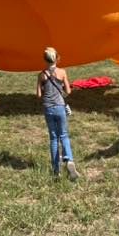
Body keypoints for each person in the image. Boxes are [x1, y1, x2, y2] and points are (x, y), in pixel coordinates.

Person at [37, 47, 79, 180]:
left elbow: (38, 95)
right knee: (64, 135)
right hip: (60, 106)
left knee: (53, 138)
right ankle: (69, 160)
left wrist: (44, 88)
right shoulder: (62, 72)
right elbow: (68, 91)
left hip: (48, 108)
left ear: (45, 59)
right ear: (57, 58)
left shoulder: (41, 75)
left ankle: (56, 169)